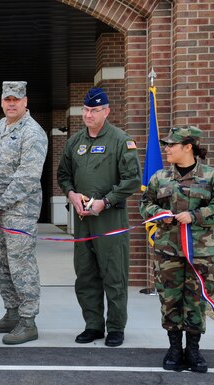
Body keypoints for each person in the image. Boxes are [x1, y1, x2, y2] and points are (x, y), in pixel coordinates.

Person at [140, 126, 214, 373]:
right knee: (169, 300)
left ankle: (193, 349)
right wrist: (159, 213)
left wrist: (195, 215)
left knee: (195, 300)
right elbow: (145, 204)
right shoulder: (159, 177)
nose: (166, 149)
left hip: (199, 253)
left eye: (172, 145)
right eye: (166, 144)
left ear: (188, 147)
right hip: (167, 251)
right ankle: (173, 348)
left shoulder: (212, 177)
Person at [57, 87, 142, 347]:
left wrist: (105, 202)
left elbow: (133, 180)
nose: (88, 114)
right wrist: (71, 194)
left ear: (106, 111)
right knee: (85, 274)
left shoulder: (120, 140)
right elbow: (63, 175)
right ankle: (93, 325)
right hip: (83, 220)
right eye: (85, 110)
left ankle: (116, 327)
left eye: (94, 110)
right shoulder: (75, 142)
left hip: (110, 219)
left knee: (113, 274)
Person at [0, 81, 48, 345]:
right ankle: (12, 312)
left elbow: (28, 178)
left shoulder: (33, 132)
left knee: (21, 267)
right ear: (1, 101)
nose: (11, 103)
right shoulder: (0, 126)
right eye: (7, 99)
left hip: (20, 212)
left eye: (16, 100)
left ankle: (28, 321)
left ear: (25, 102)